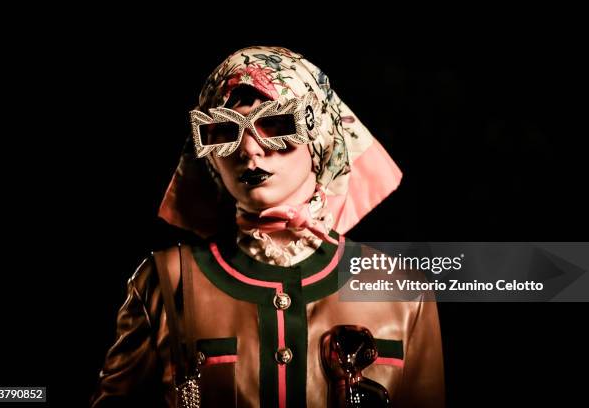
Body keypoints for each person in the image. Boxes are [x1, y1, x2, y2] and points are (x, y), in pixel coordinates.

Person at [91, 46, 444, 407]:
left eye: (275, 123)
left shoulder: (401, 292)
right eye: (224, 131)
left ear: (318, 132)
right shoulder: (166, 281)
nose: (249, 150)